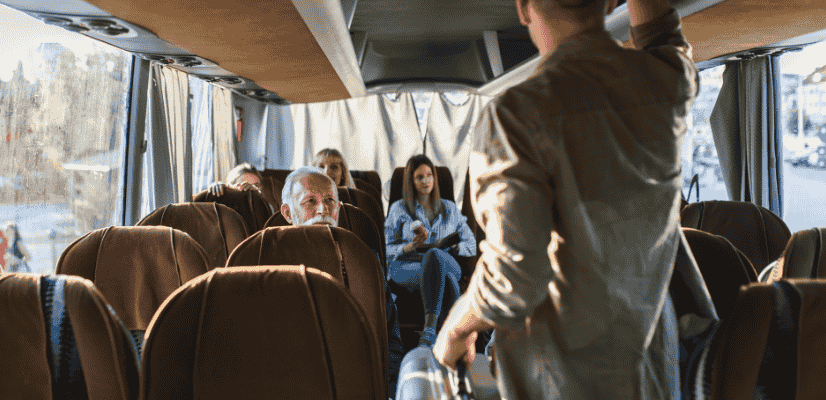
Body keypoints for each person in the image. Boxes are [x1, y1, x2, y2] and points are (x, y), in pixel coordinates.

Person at [431, 0, 698, 399]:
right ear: (610, 2)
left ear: (523, 9)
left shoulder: (515, 115)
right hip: (655, 366)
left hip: (560, 376)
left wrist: (456, 327)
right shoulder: (668, 80)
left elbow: (516, 278)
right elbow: (661, 30)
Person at [280, 166, 403, 399]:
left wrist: (384, 390)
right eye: (309, 202)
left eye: (329, 200)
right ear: (288, 213)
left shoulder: (365, 261)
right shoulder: (270, 261)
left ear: (338, 208)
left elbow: (389, 339)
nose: (322, 210)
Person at [384, 155, 476, 347]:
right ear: (411, 181)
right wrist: (409, 246)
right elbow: (385, 248)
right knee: (446, 278)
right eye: (419, 177)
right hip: (408, 265)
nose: (426, 181)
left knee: (435, 256)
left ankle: (430, 330)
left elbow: (472, 245)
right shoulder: (398, 209)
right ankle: (451, 340)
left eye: (429, 175)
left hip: (446, 259)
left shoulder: (450, 208)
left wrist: (453, 246)